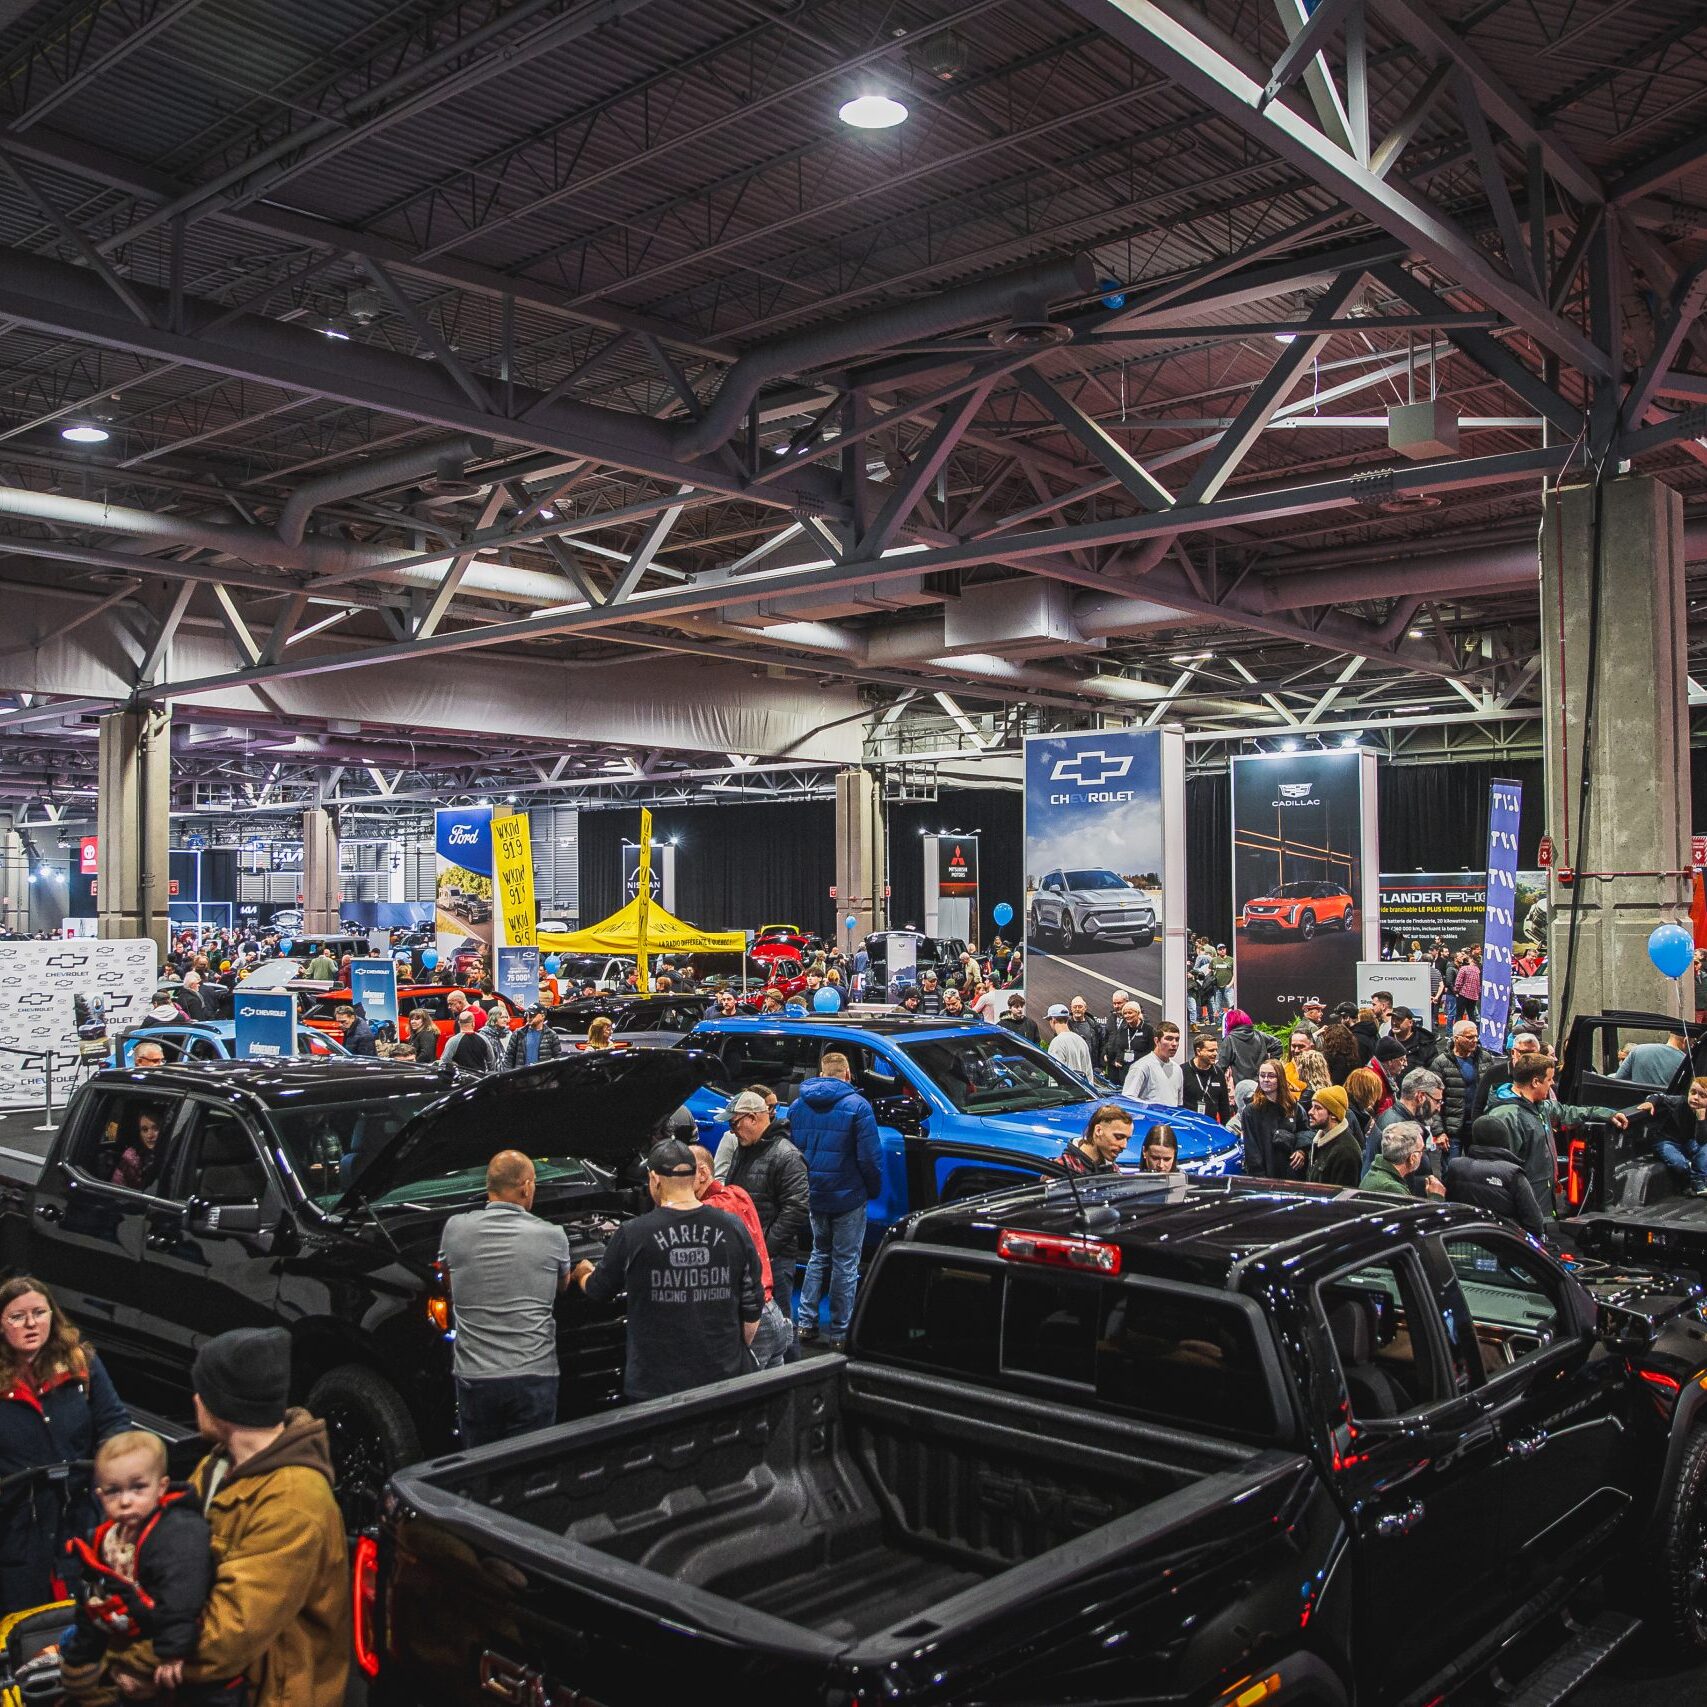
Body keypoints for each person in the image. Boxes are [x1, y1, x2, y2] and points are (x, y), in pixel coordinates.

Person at [63, 1326, 348, 1706]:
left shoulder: (294, 1500)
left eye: (203, 1391)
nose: (195, 1399)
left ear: (223, 1406)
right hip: (201, 1671)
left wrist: (127, 1666)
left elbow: (233, 1631)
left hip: (264, 1690)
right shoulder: (218, 1466)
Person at [575, 1139, 763, 1398]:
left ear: (655, 1178)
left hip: (656, 1388)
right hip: (723, 1381)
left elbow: (598, 1290)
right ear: (695, 1175)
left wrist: (582, 1272)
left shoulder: (634, 1233)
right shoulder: (732, 1226)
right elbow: (753, 1307)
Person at [57, 1430, 234, 1704]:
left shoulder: (178, 1532)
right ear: (100, 1495)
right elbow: (92, 1600)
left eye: (138, 1487)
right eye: (114, 1491)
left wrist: (171, 1653)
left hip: (172, 1654)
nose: (125, 1500)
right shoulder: (103, 1539)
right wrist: (81, 1658)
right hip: (126, 1634)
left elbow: (182, 1599)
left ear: (161, 1487)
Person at [0, 1277, 129, 1611]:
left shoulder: (80, 1362)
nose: (31, 1324)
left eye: (39, 1313)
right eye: (17, 1317)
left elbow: (114, 1421)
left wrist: (110, 1471)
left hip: (79, 1515)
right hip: (15, 1524)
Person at [438, 1152, 573, 1446]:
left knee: (481, 1472)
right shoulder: (553, 1235)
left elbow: (449, 1279)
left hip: (475, 1377)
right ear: (526, 1187)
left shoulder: (454, 1229)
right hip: (533, 1375)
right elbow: (561, 1285)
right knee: (530, 1474)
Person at [790, 1053, 882, 1350]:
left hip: (814, 1193)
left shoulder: (796, 1106)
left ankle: (805, 1322)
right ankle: (842, 1331)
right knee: (846, 1262)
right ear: (847, 1075)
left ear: (820, 1072)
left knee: (818, 1255)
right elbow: (869, 1157)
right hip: (848, 1194)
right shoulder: (858, 1107)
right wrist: (873, 1188)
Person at [1477, 1054, 1626, 1217]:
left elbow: (1569, 1112)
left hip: (1541, 1200)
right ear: (1535, 1082)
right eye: (1549, 1079)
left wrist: (1606, 1114)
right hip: (1522, 1209)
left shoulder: (1539, 1106)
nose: (1553, 1083)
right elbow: (1501, 1172)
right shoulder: (1506, 1116)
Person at [689, 1146, 792, 1369]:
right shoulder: (738, 1194)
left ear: (703, 1173)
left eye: (681, 1176)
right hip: (773, 1313)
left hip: (752, 1321)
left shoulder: (710, 1210)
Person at [712, 1090, 809, 1322]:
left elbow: (796, 1209)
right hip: (749, 1254)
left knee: (782, 1329)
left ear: (753, 1118)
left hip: (774, 1259)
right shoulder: (743, 1149)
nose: (731, 1131)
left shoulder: (787, 1156)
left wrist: (764, 1248)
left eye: (734, 1124)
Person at [1446, 1115, 1547, 1238]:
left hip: (1464, 1239)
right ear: (1505, 1138)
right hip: (1505, 1243)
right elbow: (1535, 1222)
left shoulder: (1455, 1166)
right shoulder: (1513, 1174)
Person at [1625, 1078, 1707, 1196]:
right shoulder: (1679, 1102)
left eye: (1702, 1095)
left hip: (1688, 1141)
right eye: (1693, 1092)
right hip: (1666, 1140)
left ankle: (1698, 1181)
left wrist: (1701, 1120)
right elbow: (1659, 1096)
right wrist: (1650, 1102)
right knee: (1680, 1164)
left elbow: (1702, 1140)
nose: (1695, 1097)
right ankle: (1688, 1183)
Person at [1429, 1020, 1497, 1152]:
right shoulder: (1440, 1063)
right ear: (1456, 1039)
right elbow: (1431, 1101)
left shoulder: (1485, 1058)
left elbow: (1493, 1091)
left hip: (1478, 1126)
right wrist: (1438, 1132)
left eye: (1476, 1036)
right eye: (1469, 1037)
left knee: (1477, 1169)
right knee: (1450, 1169)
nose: (1475, 1040)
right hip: (1452, 1129)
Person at [1370, 1068, 1446, 1174]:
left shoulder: (1391, 1118)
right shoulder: (1399, 1131)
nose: (1438, 1108)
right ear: (1420, 1096)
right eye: (1437, 1101)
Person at [1242, 1060, 1303, 1179]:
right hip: (1264, 1176)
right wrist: (1260, 1180)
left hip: (1291, 1174)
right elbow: (1252, 1151)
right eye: (1262, 1075)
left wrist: (1301, 1150)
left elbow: (1304, 1130)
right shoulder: (1251, 1111)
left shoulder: (1292, 1105)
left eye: (1271, 1076)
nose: (1266, 1079)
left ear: (1280, 1078)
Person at [1359, 1123, 1445, 1199]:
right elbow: (1411, 1217)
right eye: (1421, 1150)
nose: (1422, 1154)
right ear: (1412, 1158)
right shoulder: (1393, 1189)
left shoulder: (1375, 1172)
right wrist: (1436, 1196)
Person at [1471, 1032, 1543, 1120]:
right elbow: (1478, 1107)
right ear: (1513, 1052)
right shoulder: (1494, 1073)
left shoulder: (1541, 1074)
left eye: (1532, 1053)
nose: (1528, 1057)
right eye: (1523, 1053)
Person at [1304, 1085, 1360, 1186]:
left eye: (1318, 1108)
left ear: (1334, 1114)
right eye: (1312, 1107)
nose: (1310, 1112)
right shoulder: (1319, 1143)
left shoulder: (1346, 1151)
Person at [1056, 1104, 1131, 1175]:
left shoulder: (1113, 1169)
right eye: (1119, 1137)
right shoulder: (1060, 1169)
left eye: (1127, 1139)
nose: (1124, 1146)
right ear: (1098, 1131)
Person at [1123, 1021, 1183, 1105]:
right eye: (1169, 1039)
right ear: (1156, 1041)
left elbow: (1178, 1103)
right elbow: (1128, 1100)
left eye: (1177, 1039)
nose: (1174, 1044)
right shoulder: (1141, 1067)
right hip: (1149, 1117)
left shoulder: (1177, 1069)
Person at [111, 1106, 167, 1192]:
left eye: (156, 1128)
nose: (150, 1135)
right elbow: (117, 1189)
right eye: (145, 1130)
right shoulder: (130, 1158)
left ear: (164, 1129)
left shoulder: (170, 1154)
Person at [1181, 1032, 1230, 1122]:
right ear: (1198, 1051)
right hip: (1187, 1126)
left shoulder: (1218, 1073)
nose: (1215, 1054)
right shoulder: (1182, 1071)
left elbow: (1224, 1107)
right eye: (1211, 1050)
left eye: (1216, 1050)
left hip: (1210, 1127)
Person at [1616, 1029, 1690, 1088]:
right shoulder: (1686, 1061)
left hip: (1637, 1105)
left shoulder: (1637, 1050)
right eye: (1693, 1043)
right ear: (1685, 1041)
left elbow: (1618, 1080)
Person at [1221, 1009, 1275, 1086]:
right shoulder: (1259, 1035)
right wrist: (1270, 1065)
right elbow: (1278, 1044)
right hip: (1262, 1083)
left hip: (1241, 1086)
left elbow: (1221, 1065)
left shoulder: (1230, 1039)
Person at [1103, 1001, 1155, 1078]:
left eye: (1130, 1013)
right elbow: (1119, 1048)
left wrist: (1134, 1056)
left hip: (1142, 1070)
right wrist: (1118, 1059)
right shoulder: (1123, 1029)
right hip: (1124, 1070)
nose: (1127, 1016)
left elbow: (1152, 1051)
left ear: (1137, 1013)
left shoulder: (1148, 1030)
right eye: (1125, 1013)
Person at [503, 1005, 565, 1069]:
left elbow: (557, 1058)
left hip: (542, 1077)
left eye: (532, 1015)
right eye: (528, 1014)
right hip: (521, 1076)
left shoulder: (551, 1035)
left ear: (542, 1016)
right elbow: (509, 1057)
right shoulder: (518, 1033)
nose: (529, 1017)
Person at [1045, 1005, 1095, 1080]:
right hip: (1084, 1091)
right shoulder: (1081, 1040)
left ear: (1053, 1020)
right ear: (1067, 1020)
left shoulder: (1057, 1042)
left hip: (1067, 1091)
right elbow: (1089, 1073)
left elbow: (1054, 1075)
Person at [441, 1006, 493, 1075]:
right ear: (473, 1023)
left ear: (459, 1024)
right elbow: (491, 1061)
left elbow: (444, 1061)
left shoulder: (453, 1041)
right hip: (479, 1078)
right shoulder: (484, 1039)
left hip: (462, 1079)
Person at [1067, 996, 1105, 1064]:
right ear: (1071, 1009)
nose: (1077, 1009)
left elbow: (1101, 1047)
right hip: (1071, 1066)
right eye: (1075, 1007)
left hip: (1091, 1066)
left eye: (1080, 1007)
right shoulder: (1066, 1026)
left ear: (1085, 1008)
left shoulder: (1094, 1026)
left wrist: (1101, 1066)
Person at [1454, 952, 1482, 1024]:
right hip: (1473, 996)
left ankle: (1457, 1031)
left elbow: (1458, 982)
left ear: (1471, 960)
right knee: (1471, 1014)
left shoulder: (1464, 968)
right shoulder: (1478, 970)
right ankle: (1474, 1031)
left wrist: (1456, 991)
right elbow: (1479, 984)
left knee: (1459, 1015)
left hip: (1463, 994)